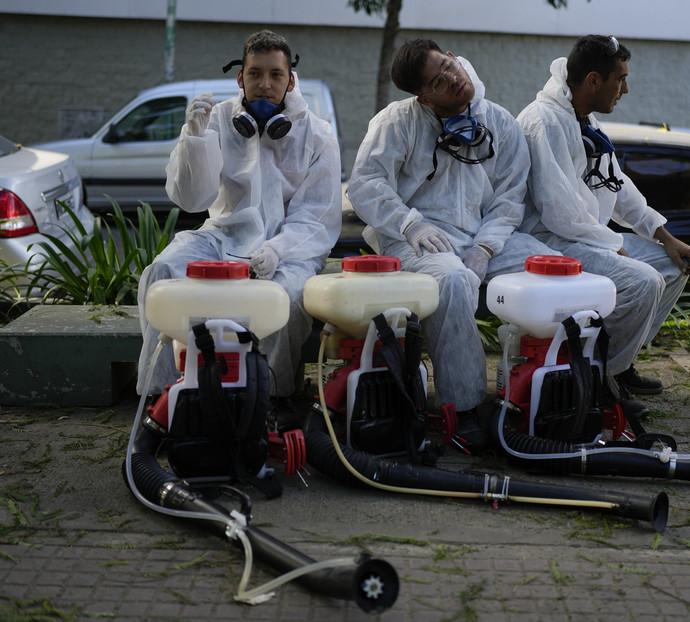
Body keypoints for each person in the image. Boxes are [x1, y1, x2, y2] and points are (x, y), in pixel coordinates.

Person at [347, 39, 557, 432]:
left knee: (553, 270)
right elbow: (365, 184)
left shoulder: (500, 122)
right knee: (455, 280)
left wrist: (485, 246)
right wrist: (409, 223)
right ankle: (463, 411)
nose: (453, 79)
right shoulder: (397, 121)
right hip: (413, 239)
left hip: (484, 237)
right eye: (438, 82)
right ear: (424, 99)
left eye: (449, 66)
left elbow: (510, 199)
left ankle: (553, 388)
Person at [136, 30, 342, 421]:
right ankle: (158, 396)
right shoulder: (215, 120)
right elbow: (191, 201)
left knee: (288, 297)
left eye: (276, 75)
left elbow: (319, 216)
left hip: (289, 249)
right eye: (255, 74)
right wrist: (194, 140)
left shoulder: (317, 134)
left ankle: (275, 398)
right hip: (220, 236)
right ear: (240, 78)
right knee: (162, 271)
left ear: (290, 80)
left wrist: (279, 250)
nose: (265, 85)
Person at [517, 34, 690, 396]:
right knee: (643, 282)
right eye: (621, 79)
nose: (626, 89)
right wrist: (612, 245)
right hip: (549, 242)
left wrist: (665, 236)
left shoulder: (584, 119)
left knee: (676, 264)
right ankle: (599, 384)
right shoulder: (545, 122)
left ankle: (617, 365)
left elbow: (618, 187)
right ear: (593, 81)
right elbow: (558, 211)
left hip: (586, 238)